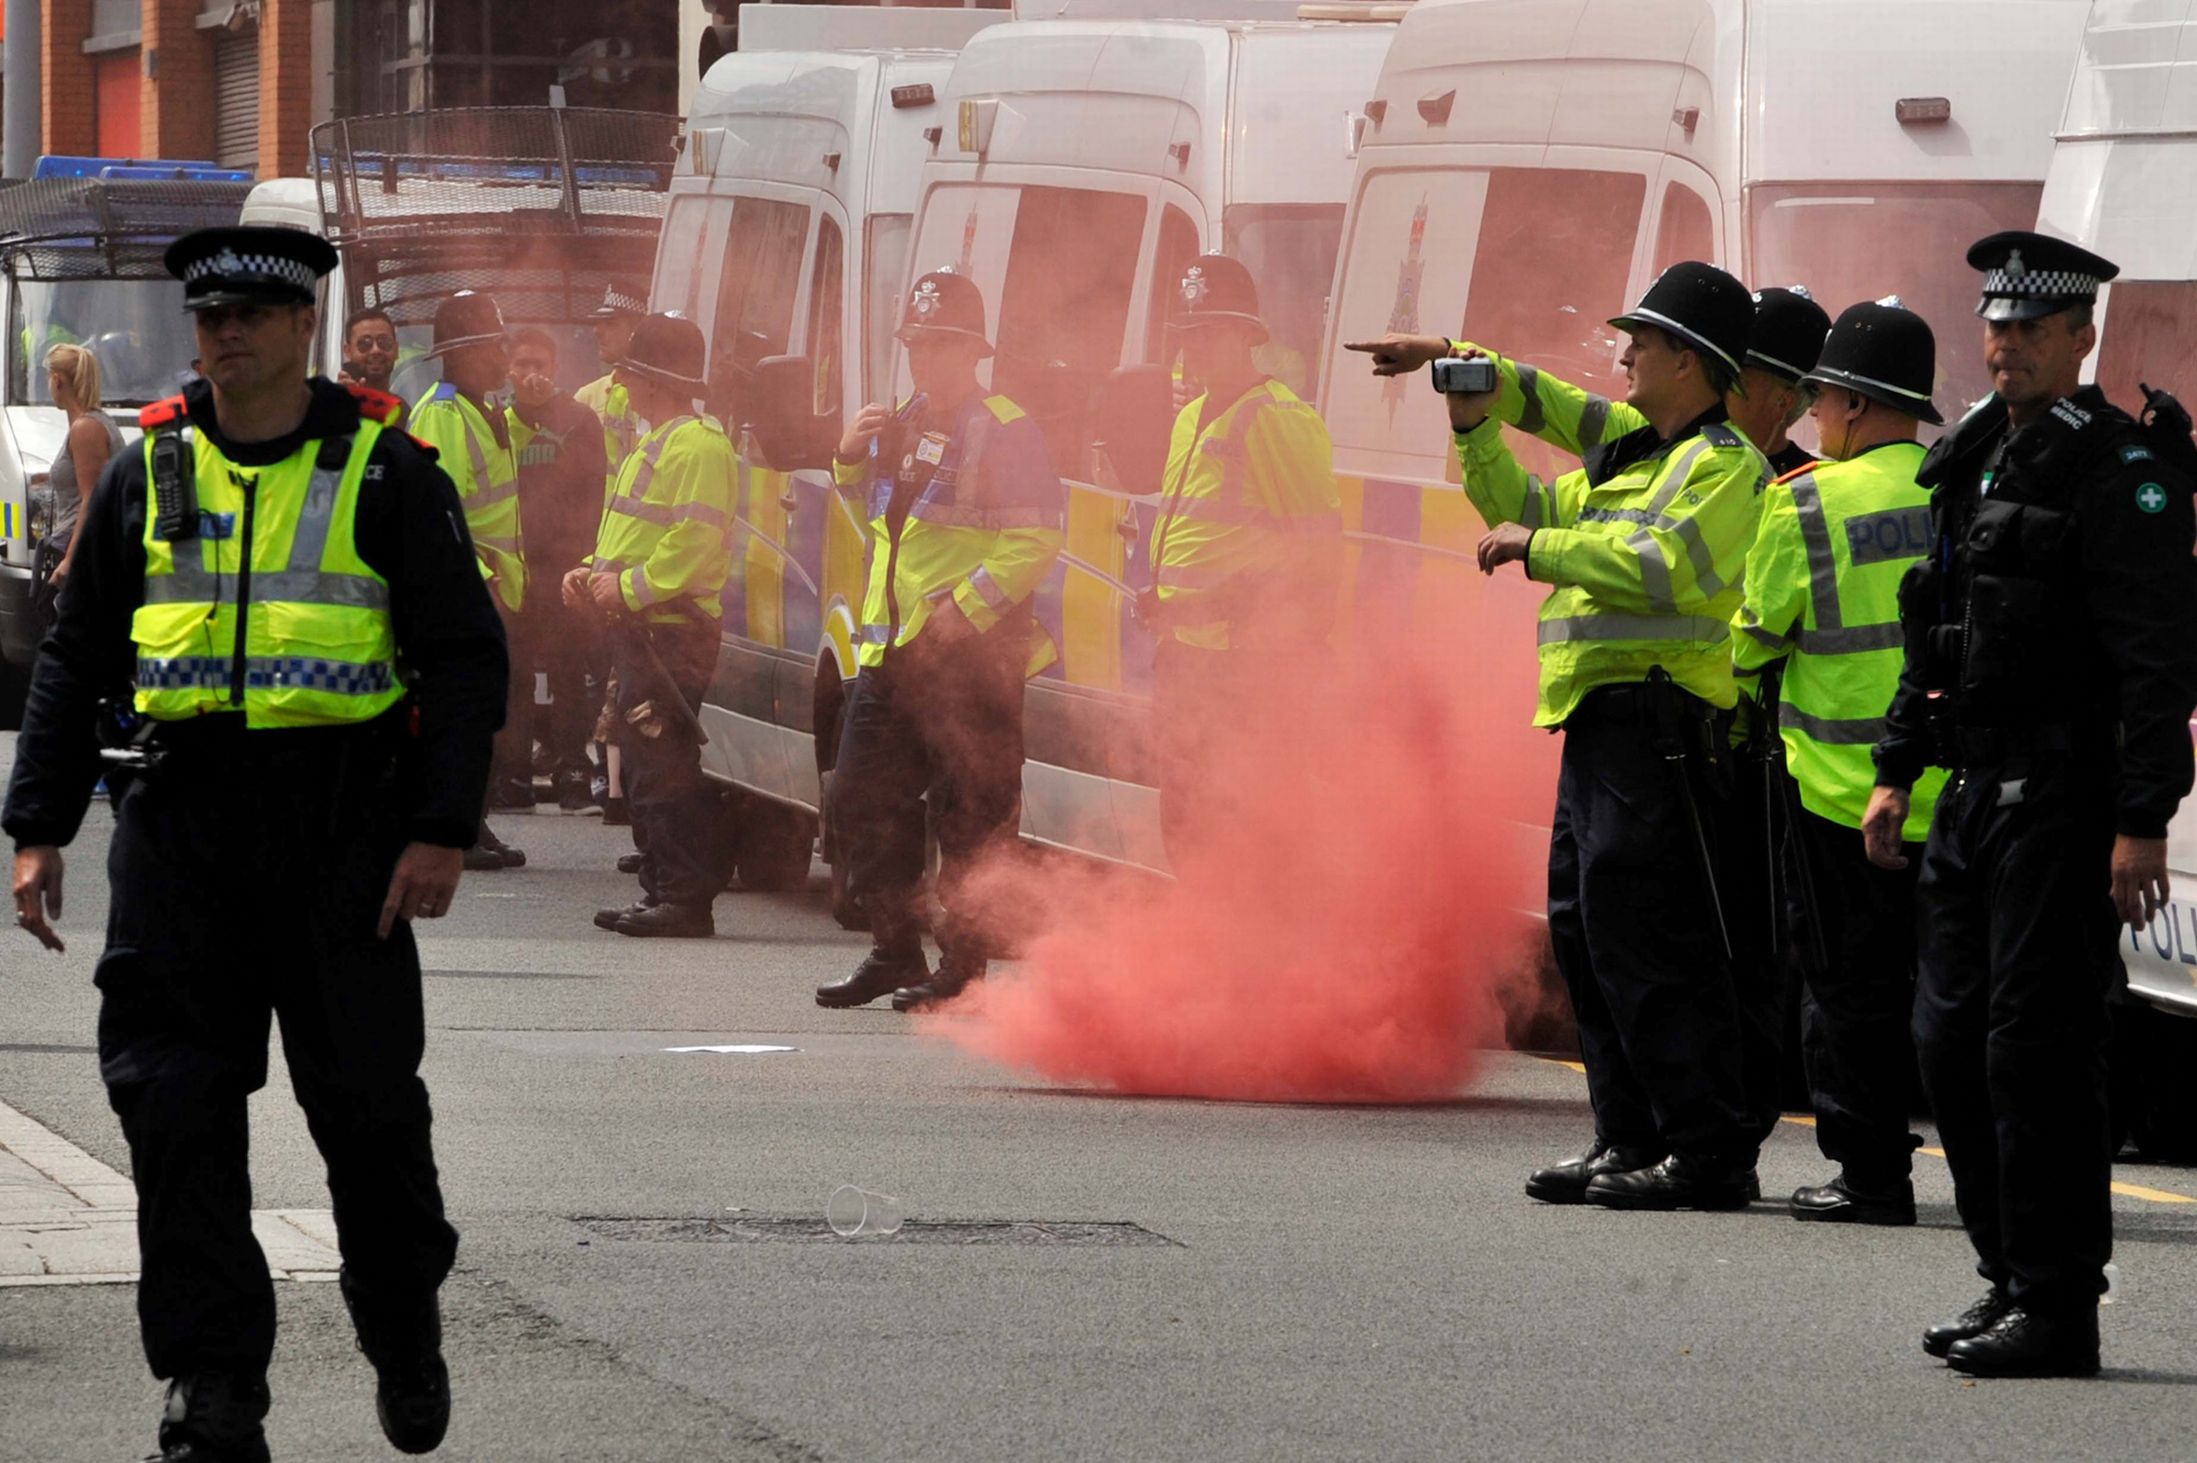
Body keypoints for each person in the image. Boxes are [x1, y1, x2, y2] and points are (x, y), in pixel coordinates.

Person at [3, 225, 506, 1462]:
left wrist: (441, 828)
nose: (225, 331)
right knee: (172, 1116)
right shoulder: (149, 466)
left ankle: (400, 1322)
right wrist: (37, 826)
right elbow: (77, 652)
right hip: (180, 831)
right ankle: (213, 1385)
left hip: (342, 832)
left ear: (302, 329)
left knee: (370, 1115)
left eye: (251, 315)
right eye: (209, 313)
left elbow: (464, 655)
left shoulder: (387, 472)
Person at [1356, 262, 1769, 1209]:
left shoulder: (1720, 465)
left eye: (1644, 340)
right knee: (1588, 937)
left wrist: (1535, 546)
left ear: (1691, 360)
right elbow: (1527, 484)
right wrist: (1468, 410)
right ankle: (1625, 1137)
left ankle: (1705, 1151)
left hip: (1659, 733)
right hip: (1601, 730)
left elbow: (1660, 566)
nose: (1623, 352)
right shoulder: (1636, 454)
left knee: (1651, 943)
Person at [1864, 232, 2197, 1377]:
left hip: (2066, 798)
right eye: (1995, 326)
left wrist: (2142, 816)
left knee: (2034, 1051)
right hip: (1969, 788)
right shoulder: (1975, 455)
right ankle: (2007, 1276)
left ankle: (2058, 1304)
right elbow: (1937, 626)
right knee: (1945, 1039)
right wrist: (1897, 763)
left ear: (2080, 338)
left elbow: (2158, 661)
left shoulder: (2123, 472)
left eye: (2030, 329)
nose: (2004, 345)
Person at [1730, 300, 1950, 1226]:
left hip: (1835, 796)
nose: (1813, 415)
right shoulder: (1958, 494)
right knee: (1951, 991)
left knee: (1846, 987)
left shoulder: (1803, 501)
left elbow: (1753, 641)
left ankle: (1870, 1174)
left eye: (1819, 398)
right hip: (1959, 792)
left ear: (1853, 405)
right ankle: (1984, 1174)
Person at [813, 270, 1064, 1012]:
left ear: (972, 351)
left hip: (969, 660)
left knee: (971, 817)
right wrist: (849, 457)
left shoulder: (1008, 427)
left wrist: (966, 606)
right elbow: (877, 518)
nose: (926, 359)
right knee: (858, 797)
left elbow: (1036, 538)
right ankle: (892, 951)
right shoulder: (898, 419)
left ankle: (962, 966)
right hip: (892, 652)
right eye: (917, 345)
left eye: (941, 345)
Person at [1139, 254, 1341, 872]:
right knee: (1186, 819)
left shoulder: (1276, 416)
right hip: (1186, 653)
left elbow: (1317, 550)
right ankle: (1207, 954)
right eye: (1186, 332)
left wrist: (1236, 603)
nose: (1192, 345)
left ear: (1245, 336)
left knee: (1240, 824)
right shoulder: (1188, 417)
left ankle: (1252, 957)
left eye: (1208, 331)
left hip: (1246, 663)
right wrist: (1166, 600)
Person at [568, 314, 739, 938]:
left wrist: (627, 588)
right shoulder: (661, 439)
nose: (619, 380)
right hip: (647, 626)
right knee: (645, 762)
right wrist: (591, 571)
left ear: (653, 379)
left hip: (671, 629)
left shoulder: (694, 445)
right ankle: (663, 891)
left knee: (661, 764)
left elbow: (691, 542)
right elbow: (635, 532)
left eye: (629, 370)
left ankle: (684, 900)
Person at [410, 291, 531, 865]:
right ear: (456, 355)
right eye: (490, 346)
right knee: (463, 712)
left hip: (495, 586)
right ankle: (460, 828)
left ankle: (475, 822)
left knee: (486, 713)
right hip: (470, 589)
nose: (502, 357)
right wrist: (479, 585)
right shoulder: (442, 413)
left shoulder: (487, 409)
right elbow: (442, 511)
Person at [509, 327, 611, 814]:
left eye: (541, 365)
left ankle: (574, 773)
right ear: (508, 370)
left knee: (570, 673)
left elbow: (597, 493)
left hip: (567, 568)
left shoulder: (579, 420)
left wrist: (588, 561)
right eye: (523, 364)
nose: (533, 374)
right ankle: (513, 778)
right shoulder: (497, 422)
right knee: (516, 675)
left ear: (555, 368)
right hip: (515, 567)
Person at [34, 342, 124, 619]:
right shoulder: (91, 423)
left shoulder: (86, 428)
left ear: (57, 380)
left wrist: (70, 561)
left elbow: (92, 497)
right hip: (87, 550)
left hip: (84, 554)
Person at [1731, 287, 1833, 478]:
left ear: (1783, 402)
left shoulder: (1817, 487)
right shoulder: (1680, 454)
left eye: (1734, 381)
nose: (1714, 388)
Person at [577, 285, 647, 475]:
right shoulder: (587, 397)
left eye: (611, 323)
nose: (597, 331)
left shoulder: (657, 398)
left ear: (637, 330)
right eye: (599, 323)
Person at [341, 307, 400, 399]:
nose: (376, 350)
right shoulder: (332, 403)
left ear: (396, 350)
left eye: (384, 342)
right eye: (365, 343)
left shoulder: (407, 409)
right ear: (348, 351)